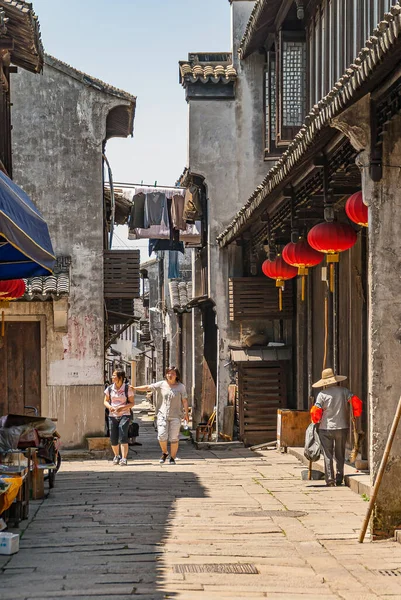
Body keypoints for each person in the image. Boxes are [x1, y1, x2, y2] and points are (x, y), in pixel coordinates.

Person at [310, 368, 363, 487]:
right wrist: (355, 415)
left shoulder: (322, 395)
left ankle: (330, 479)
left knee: (328, 455)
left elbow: (316, 411)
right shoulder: (344, 391)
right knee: (340, 454)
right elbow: (356, 402)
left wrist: (315, 421)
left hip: (326, 428)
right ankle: (339, 477)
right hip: (342, 427)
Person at [131, 366, 189, 465]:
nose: (170, 375)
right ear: (166, 374)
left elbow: (184, 400)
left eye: (173, 373)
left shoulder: (181, 387)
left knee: (174, 438)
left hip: (176, 416)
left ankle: (172, 458)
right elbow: (148, 387)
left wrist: (186, 413)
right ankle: (165, 452)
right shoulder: (161, 384)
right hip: (162, 414)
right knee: (162, 435)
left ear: (176, 375)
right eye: (168, 373)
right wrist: (135, 388)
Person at [104, 368, 135, 466]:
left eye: (114, 375)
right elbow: (105, 401)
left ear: (120, 377)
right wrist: (110, 407)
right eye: (112, 375)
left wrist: (123, 407)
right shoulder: (109, 388)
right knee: (113, 437)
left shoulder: (127, 388)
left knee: (122, 434)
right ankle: (116, 455)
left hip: (125, 414)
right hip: (112, 415)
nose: (112, 377)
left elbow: (132, 403)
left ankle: (124, 458)